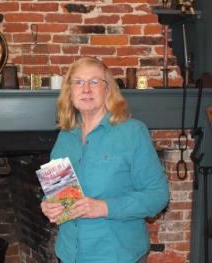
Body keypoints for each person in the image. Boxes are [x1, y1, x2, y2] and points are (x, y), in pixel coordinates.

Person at [40, 57, 169, 263]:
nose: (86, 89)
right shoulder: (66, 134)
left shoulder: (132, 132)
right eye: (79, 82)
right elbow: (60, 191)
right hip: (69, 253)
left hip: (117, 255)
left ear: (108, 89)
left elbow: (158, 196)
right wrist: (48, 204)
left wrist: (105, 207)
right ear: (70, 92)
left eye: (94, 81)